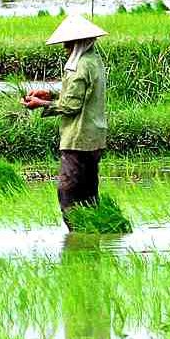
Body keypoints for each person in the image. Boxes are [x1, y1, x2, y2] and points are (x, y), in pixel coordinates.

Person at [22, 15, 108, 229]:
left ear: (78, 43)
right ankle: (92, 233)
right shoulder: (94, 61)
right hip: (95, 136)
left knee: (67, 189)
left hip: (78, 138)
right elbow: (78, 95)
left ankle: (77, 234)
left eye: (68, 43)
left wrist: (41, 104)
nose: (65, 48)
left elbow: (71, 106)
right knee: (89, 192)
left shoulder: (79, 67)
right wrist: (49, 94)